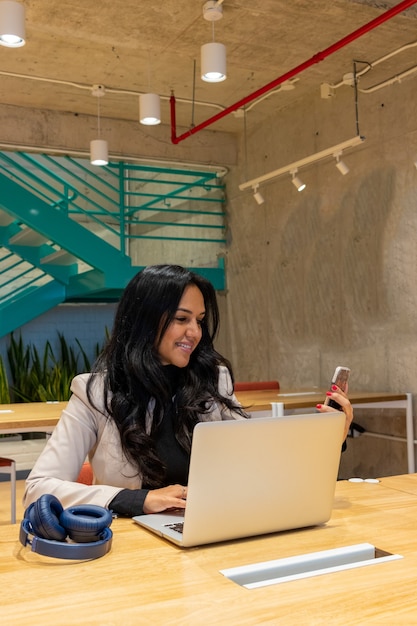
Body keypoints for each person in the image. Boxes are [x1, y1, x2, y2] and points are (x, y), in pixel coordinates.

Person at [23, 264, 354, 517]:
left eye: (199, 319)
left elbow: (257, 463)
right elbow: (38, 490)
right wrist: (141, 499)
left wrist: (329, 438)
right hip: (133, 546)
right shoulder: (95, 392)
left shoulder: (213, 381)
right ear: (145, 320)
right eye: (182, 319)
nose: (195, 332)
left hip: (212, 526)